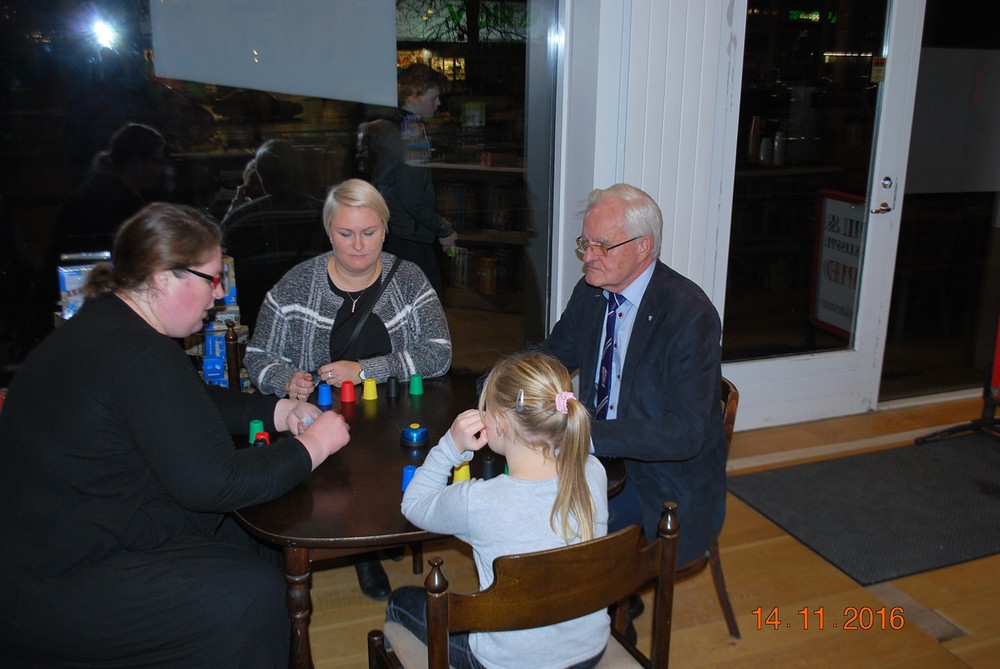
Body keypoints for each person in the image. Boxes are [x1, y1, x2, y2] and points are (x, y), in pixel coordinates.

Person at [0, 202, 351, 668]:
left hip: (71, 537)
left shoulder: (110, 323)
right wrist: (314, 445)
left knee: (258, 540)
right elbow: (217, 483)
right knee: (249, 596)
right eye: (212, 278)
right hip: (61, 581)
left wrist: (279, 411)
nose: (219, 292)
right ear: (164, 278)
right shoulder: (140, 354)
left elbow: (188, 398)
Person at [243, 178, 452, 599]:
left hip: (394, 421)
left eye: (369, 232)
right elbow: (257, 356)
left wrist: (365, 370)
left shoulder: (409, 279)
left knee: (393, 463)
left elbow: (440, 352)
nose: (358, 245)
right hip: (323, 423)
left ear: (385, 230)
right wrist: (286, 378)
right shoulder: (296, 285)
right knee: (348, 473)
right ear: (328, 231)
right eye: (345, 233)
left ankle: (385, 527)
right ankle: (363, 550)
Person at [538, 183, 727, 569]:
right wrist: (500, 379)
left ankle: (596, 597)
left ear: (644, 247)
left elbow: (685, 432)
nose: (588, 256)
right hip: (600, 461)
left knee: (555, 532)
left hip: (659, 480)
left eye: (602, 246)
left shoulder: (688, 316)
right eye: (585, 243)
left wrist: (586, 436)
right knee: (517, 500)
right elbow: (554, 355)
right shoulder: (593, 293)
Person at [386, 351, 609, 669]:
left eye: (486, 409)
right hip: (588, 651)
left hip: (507, 663)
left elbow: (413, 504)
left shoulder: (479, 501)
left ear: (501, 424)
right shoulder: (592, 471)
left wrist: (451, 446)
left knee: (400, 601)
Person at [222, 139, 328, 330]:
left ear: (262, 176)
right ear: (299, 173)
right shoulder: (326, 214)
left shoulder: (241, 219)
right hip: (315, 316)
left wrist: (234, 209)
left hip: (259, 318)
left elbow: (223, 265)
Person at [357, 119, 456, 296]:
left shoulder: (385, 141)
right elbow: (412, 199)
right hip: (410, 235)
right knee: (427, 298)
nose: (437, 105)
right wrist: (444, 229)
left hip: (393, 230)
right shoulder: (410, 141)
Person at [52, 122, 169, 257]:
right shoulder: (111, 200)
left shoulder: (100, 188)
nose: (161, 170)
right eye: (158, 162)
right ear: (137, 162)